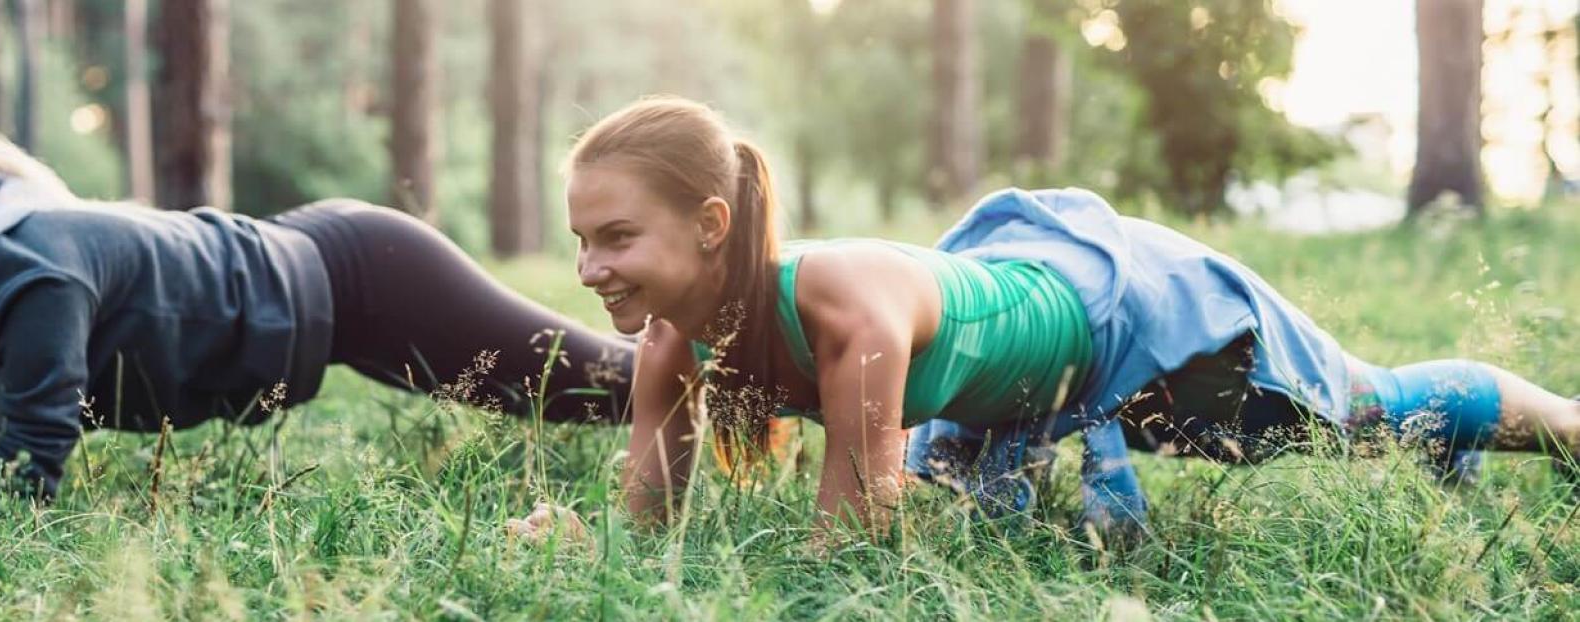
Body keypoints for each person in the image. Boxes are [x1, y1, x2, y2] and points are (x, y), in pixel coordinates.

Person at [553, 95, 1580, 537]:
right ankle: (1452, 455)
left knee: (1357, 415)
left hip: (1130, 313)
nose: (592, 266)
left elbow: (855, 530)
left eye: (617, 237)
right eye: (582, 241)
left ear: (710, 224)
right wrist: (569, 536)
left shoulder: (840, 303)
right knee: (983, 508)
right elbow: (646, 521)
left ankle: (1557, 423)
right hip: (1014, 371)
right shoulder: (672, 347)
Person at [0, 87, 633, 512]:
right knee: (597, 389)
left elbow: (18, 500)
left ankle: (760, 323)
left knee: (604, 386)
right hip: (323, 272)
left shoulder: (27, 272)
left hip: (363, 277)